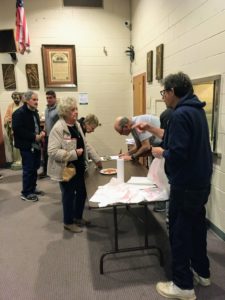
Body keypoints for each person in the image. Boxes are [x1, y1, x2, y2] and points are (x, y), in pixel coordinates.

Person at [134, 72, 212, 300]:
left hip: (185, 185)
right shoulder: (195, 111)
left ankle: (182, 286)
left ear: (172, 92)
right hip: (199, 184)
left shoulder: (179, 115)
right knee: (197, 230)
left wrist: (160, 152)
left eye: (164, 92)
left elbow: (177, 152)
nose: (164, 97)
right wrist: (151, 128)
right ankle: (202, 272)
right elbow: (176, 137)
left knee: (179, 233)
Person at [47, 97, 89, 233]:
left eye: (76, 109)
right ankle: (68, 222)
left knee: (82, 192)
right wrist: (74, 154)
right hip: (67, 167)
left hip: (79, 166)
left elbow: (85, 144)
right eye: (72, 110)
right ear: (65, 112)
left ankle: (77, 217)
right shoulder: (58, 128)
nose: (76, 112)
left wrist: (94, 158)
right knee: (69, 195)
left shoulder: (76, 125)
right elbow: (52, 152)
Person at [12, 91, 45, 202]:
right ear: (27, 100)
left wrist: (41, 132)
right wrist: (34, 136)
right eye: (34, 100)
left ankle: (32, 188)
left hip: (35, 144)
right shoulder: (19, 113)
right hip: (26, 146)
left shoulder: (34, 112)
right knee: (28, 169)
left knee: (35, 167)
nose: (37, 102)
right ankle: (26, 193)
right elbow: (18, 130)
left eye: (37, 100)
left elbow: (36, 126)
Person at [39, 90, 59, 179]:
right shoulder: (46, 109)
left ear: (55, 98)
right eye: (47, 98)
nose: (48, 100)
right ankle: (45, 171)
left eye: (50, 98)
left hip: (56, 136)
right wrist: (43, 132)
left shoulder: (59, 109)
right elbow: (46, 123)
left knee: (55, 154)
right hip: (47, 135)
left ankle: (56, 172)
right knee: (45, 153)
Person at [4, 92, 23, 168]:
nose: (16, 100)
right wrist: (8, 120)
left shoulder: (23, 105)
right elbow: (6, 117)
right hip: (14, 129)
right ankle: (17, 160)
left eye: (17, 98)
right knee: (15, 144)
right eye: (14, 98)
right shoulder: (10, 106)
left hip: (22, 129)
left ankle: (23, 159)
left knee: (23, 144)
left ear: (20, 98)